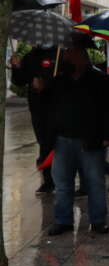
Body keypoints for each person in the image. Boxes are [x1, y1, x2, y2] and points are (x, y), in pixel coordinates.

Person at [46, 36, 109, 236]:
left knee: (95, 182)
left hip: (91, 140)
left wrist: (108, 135)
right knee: (62, 183)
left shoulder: (100, 80)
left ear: (82, 56)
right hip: (63, 139)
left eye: (72, 53)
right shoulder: (59, 80)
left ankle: (98, 221)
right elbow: (49, 106)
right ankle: (63, 221)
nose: (68, 56)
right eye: (67, 53)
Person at [10, 46, 58, 193]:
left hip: (57, 107)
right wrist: (16, 67)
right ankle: (48, 181)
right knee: (44, 143)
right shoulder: (29, 56)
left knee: (58, 144)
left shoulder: (58, 53)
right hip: (37, 108)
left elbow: (67, 79)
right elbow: (19, 81)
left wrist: (46, 83)